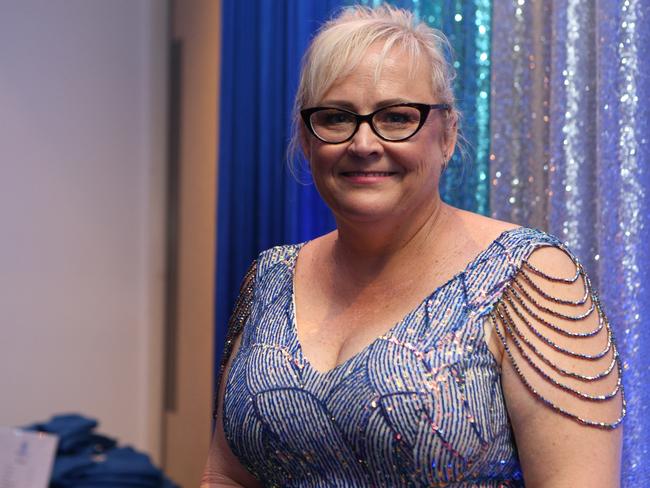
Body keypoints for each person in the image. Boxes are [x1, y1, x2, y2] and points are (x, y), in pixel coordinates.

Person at [201, 5, 625, 487]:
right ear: (306, 137)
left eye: (397, 117)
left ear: (447, 135)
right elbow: (225, 476)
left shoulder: (529, 277)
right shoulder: (271, 278)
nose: (363, 143)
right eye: (337, 118)